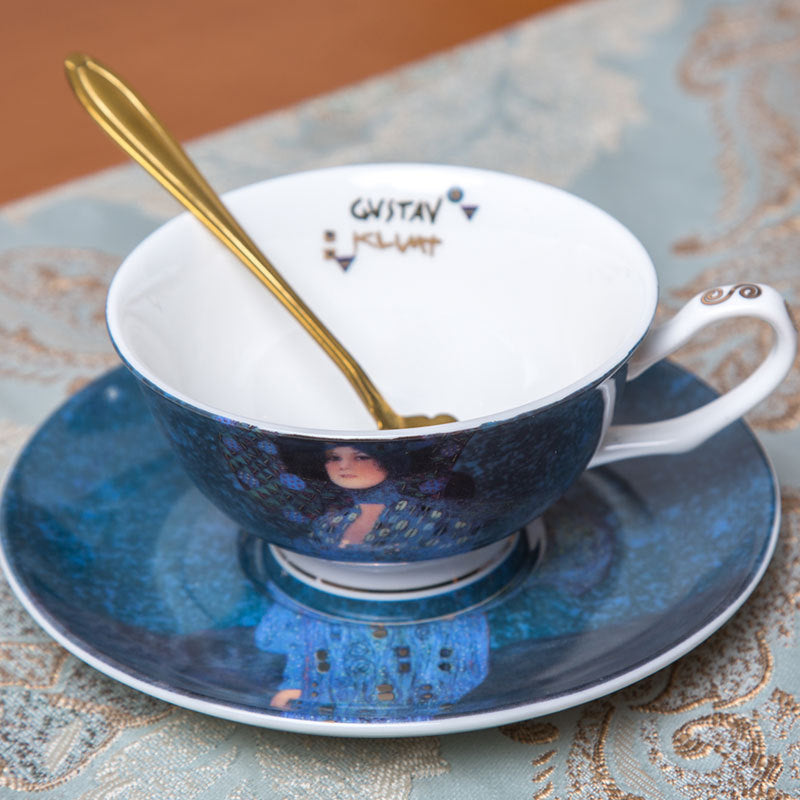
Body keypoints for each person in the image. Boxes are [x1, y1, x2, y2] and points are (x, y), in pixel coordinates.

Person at [309, 444, 474, 558]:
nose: (344, 466)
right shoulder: (327, 522)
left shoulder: (426, 516)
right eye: (335, 457)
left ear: (388, 461)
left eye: (361, 457)